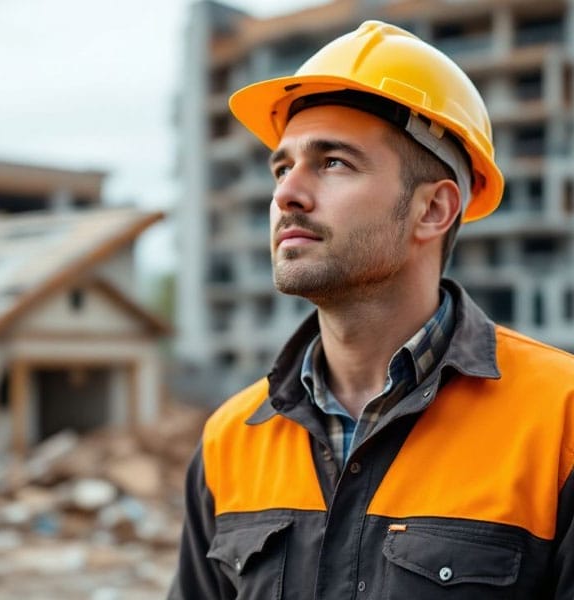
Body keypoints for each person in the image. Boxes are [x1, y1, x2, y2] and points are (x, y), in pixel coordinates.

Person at [168, 20, 574, 600]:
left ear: (433, 209)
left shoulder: (561, 420)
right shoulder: (230, 441)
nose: (286, 193)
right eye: (282, 167)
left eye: (333, 162)